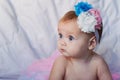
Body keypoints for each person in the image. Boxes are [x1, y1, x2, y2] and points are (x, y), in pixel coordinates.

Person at [49, 1, 112, 80]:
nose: (62, 42)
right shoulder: (61, 63)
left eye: (70, 38)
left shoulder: (98, 63)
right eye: (60, 35)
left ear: (91, 43)